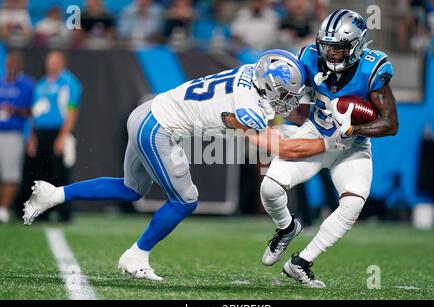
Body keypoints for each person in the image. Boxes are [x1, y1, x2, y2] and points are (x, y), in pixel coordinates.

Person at [23, 50, 349, 281]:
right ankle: (136, 255)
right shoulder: (248, 106)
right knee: (186, 200)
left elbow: (284, 108)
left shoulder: (252, 73)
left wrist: (326, 114)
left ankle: (53, 194)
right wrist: (330, 143)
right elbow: (281, 148)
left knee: (130, 188)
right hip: (158, 128)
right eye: (285, 94)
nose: (290, 100)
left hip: (145, 113)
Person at [259, 9, 399, 288]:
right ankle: (287, 227)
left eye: (339, 48)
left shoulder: (373, 69)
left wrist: (354, 129)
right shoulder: (309, 56)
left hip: (351, 145)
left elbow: (390, 124)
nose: (331, 53)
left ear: (357, 46)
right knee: (270, 188)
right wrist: (279, 106)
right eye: (327, 46)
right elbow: (296, 109)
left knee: (352, 203)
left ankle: (301, 263)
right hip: (315, 135)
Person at [27, 50, 82, 223]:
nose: (51, 64)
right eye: (49, 61)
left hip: (60, 132)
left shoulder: (70, 82)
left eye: (55, 61)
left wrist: (62, 137)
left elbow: (72, 111)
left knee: (60, 174)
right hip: (41, 132)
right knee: (40, 173)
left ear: (63, 63)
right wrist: (32, 136)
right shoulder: (41, 83)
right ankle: (41, 212)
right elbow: (35, 112)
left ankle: (64, 213)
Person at [0, 52, 34, 223]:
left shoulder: (27, 85)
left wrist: (15, 110)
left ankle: (4, 209)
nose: (11, 65)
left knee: (10, 173)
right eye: (9, 62)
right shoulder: (1, 81)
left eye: (15, 62)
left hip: (14, 133)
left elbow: (32, 110)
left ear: (20, 65)